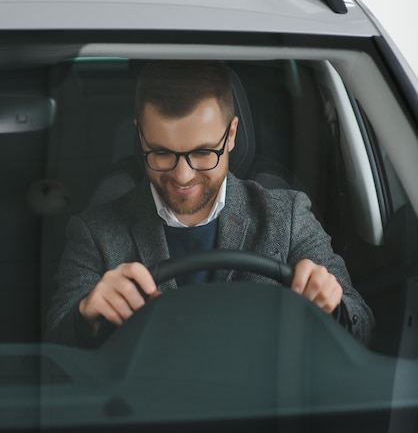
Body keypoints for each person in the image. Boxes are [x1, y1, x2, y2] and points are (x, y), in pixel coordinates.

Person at [46, 60, 375, 347]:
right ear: (140, 135)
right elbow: (55, 339)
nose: (183, 175)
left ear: (231, 135)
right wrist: (85, 317)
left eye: (203, 153)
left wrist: (333, 305)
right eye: (161, 152)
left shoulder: (286, 216)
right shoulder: (94, 231)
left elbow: (362, 324)